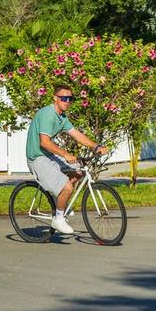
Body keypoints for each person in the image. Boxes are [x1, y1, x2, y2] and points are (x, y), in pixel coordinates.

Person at [25, 85, 108, 234]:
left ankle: (60, 202)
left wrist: (96, 146)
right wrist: (65, 154)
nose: (67, 101)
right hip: (37, 157)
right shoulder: (48, 114)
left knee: (78, 171)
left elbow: (77, 135)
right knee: (67, 187)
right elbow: (44, 142)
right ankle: (58, 218)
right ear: (55, 98)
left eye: (70, 98)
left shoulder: (62, 118)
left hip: (48, 155)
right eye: (64, 98)